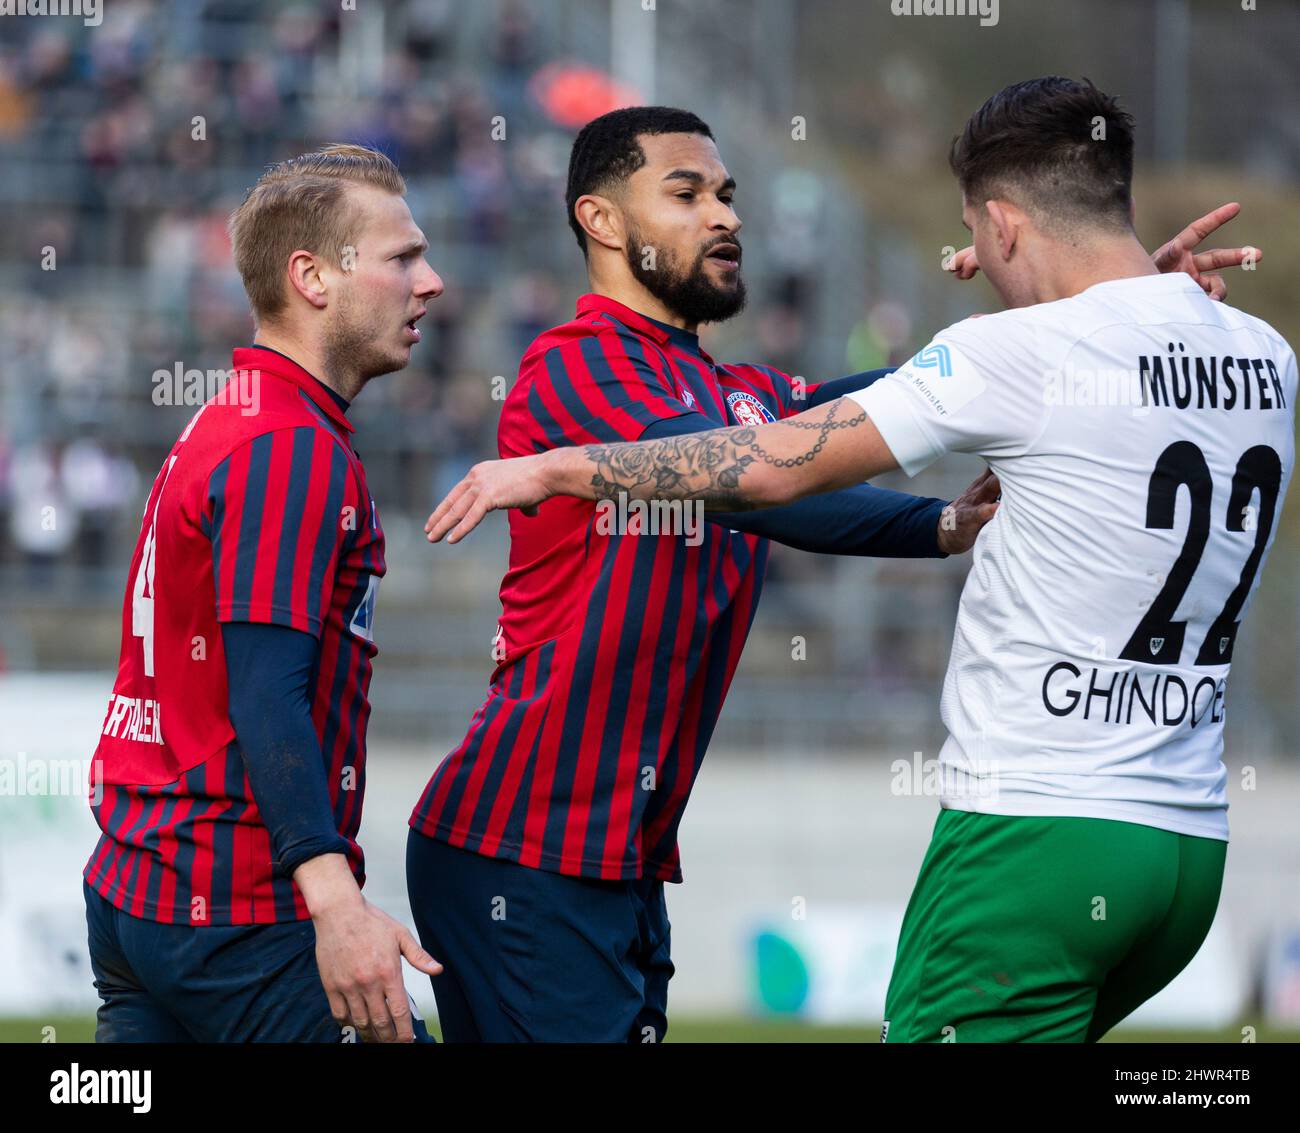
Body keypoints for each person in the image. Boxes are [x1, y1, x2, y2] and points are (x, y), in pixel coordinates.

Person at [426, 79, 1289, 1043]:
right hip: (522, 842)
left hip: (623, 854)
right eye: (688, 194)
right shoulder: (576, 364)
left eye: (727, 192)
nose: (726, 214)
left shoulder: (736, 387)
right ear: (597, 217)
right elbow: (761, 479)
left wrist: (1118, 313)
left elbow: (910, 400)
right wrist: (1108, 314)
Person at [85, 144, 444, 1042]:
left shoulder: (229, 416)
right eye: (402, 257)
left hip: (139, 893)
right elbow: (265, 691)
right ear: (312, 277)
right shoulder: (287, 444)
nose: (430, 282)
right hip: (237, 909)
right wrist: (337, 901)